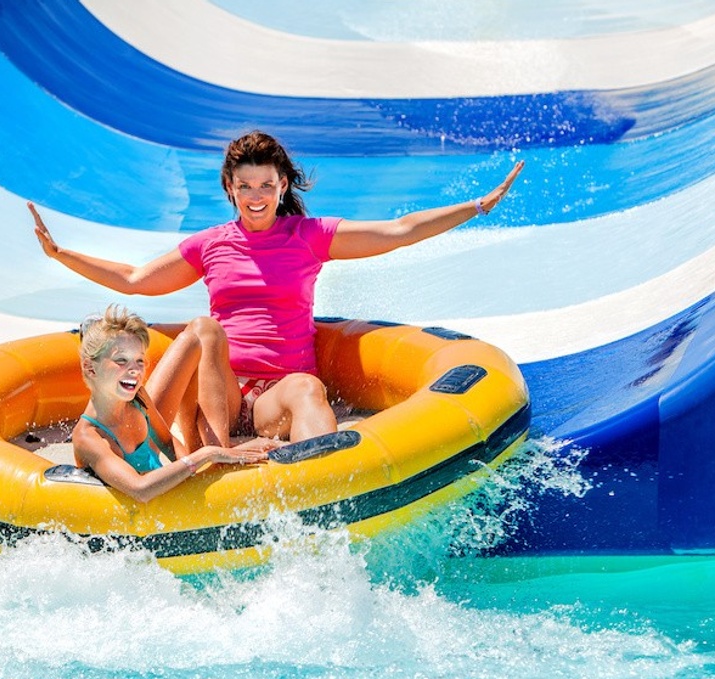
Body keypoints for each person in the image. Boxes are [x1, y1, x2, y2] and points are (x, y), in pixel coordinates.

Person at [34, 130, 524, 446]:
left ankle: (327, 485)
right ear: (230, 188)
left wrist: (476, 207)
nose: (256, 197)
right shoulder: (210, 245)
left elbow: (398, 231)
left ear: (283, 186)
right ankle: (221, 455)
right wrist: (61, 255)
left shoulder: (309, 237)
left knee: (309, 388)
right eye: (245, 187)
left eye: (266, 186)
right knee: (205, 329)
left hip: (276, 400)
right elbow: (135, 281)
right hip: (221, 394)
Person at [74, 305, 277, 503]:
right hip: (141, 521)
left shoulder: (137, 397)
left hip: (165, 494)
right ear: (90, 369)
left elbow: (167, 441)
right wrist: (205, 455)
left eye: (139, 361)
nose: (134, 370)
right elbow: (140, 490)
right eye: (121, 361)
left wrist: (206, 472)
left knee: (192, 341)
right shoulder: (89, 438)